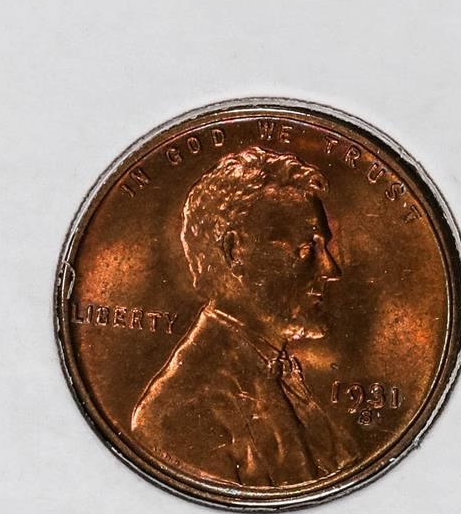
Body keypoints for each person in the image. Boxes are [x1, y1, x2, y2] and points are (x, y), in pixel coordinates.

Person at [131, 145, 357, 488]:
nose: (330, 269)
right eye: (305, 249)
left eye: (323, 248)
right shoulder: (180, 413)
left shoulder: (280, 372)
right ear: (235, 251)